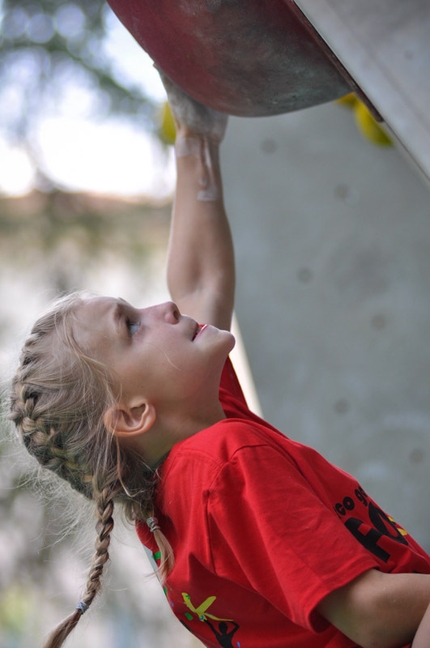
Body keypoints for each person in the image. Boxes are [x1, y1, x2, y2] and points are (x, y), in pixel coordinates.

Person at [9, 75, 430, 648]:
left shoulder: (180, 476)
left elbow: (198, 283)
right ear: (134, 414)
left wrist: (195, 137)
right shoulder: (221, 464)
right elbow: (373, 617)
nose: (161, 308)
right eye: (131, 326)